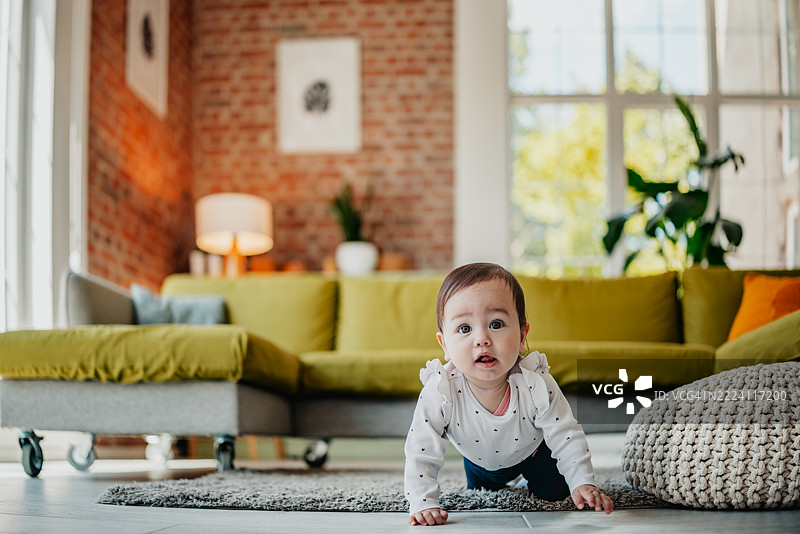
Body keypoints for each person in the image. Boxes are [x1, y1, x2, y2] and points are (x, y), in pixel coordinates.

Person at [404, 262, 614, 526]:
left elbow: (566, 434)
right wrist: (423, 502)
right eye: (465, 329)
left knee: (556, 495)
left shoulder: (535, 383)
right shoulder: (441, 390)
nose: (482, 338)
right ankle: (496, 480)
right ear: (445, 344)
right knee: (483, 497)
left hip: (537, 455)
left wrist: (583, 482)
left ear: (523, 335)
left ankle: (545, 481)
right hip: (479, 463)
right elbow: (421, 449)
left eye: (496, 323)